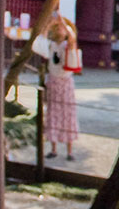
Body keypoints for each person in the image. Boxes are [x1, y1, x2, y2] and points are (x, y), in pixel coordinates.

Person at [43, 17, 80, 161]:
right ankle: (53, 149)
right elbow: (42, 37)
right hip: (53, 81)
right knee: (53, 114)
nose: (59, 30)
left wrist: (64, 23)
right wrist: (51, 23)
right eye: (57, 29)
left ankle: (69, 151)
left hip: (65, 83)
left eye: (62, 29)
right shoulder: (51, 45)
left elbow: (72, 39)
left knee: (68, 114)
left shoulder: (67, 45)